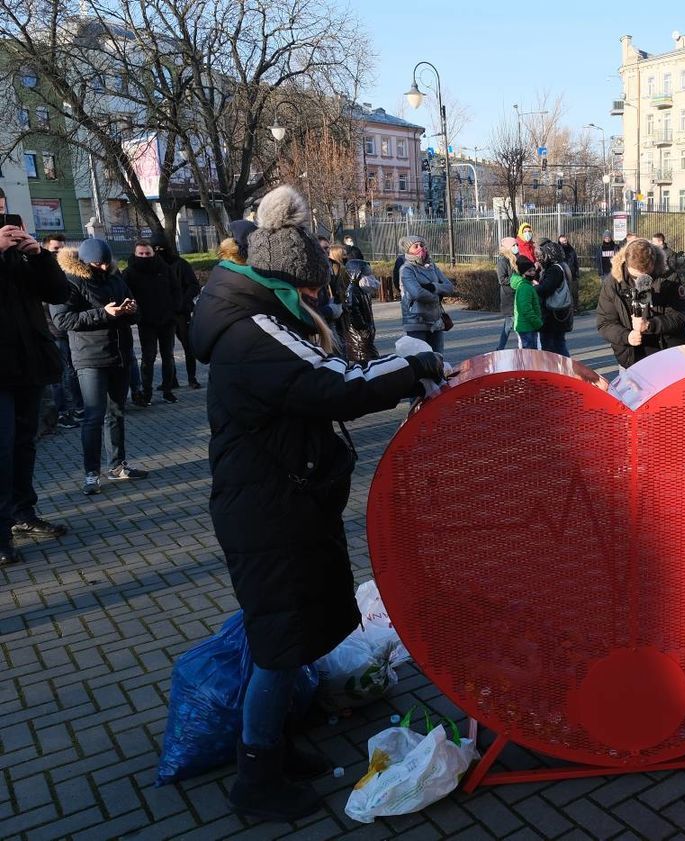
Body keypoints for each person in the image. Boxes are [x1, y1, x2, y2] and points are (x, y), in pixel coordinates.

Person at [189, 185, 446, 822]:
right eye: (311, 291)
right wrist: (413, 366)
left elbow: (323, 376)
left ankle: (273, 747)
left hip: (283, 498)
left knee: (293, 635)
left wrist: (398, 364)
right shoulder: (251, 332)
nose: (318, 302)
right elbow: (329, 386)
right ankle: (256, 778)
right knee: (279, 648)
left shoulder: (258, 318)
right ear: (286, 280)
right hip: (266, 509)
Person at [52, 239, 148, 496]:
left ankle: (117, 465)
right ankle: (91, 473)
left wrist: (132, 310)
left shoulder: (115, 278)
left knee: (116, 413)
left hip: (120, 355)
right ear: (84, 261)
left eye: (106, 261)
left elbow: (134, 313)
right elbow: (62, 320)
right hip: (90, 358)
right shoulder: (70, 280)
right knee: (93, 416)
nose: (103, 266)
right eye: (97, 262)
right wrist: (104, 314)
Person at [1, 223, 70, 565]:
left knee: (23, 444)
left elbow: (59, 293)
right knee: (1, 449)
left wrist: (40, 256)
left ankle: (22, 515)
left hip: (28, 365)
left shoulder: (19, 258)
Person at [596, 238, 685, 369]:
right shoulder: (613, 284)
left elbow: (680, 316)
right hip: (631, 358)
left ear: (653, 263)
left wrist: (650, 325)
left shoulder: (669, 278)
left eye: (646, 275)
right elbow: (605, 323)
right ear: (626, 263)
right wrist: (626, 336)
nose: (640, 279)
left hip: (668, 355)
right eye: (635, 276)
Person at [123, 240, 180, 405]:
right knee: (148, 357)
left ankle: (167, 390)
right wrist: (136, 314)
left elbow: (176, 290)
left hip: (167, 320)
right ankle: (146, 392)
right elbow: (126, 295)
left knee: (168, 356)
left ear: (153, 253)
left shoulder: (165, 269)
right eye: (140, 254)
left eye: (147, 253)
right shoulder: (129, 272)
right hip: (146, 322)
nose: (144, 256)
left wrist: (174, 309)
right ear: (135, 254)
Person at [152, 232, 203, 389]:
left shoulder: (180, 264)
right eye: (155, 248)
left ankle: (191, 378)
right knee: (167, 350)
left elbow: (194, 286)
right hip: (163, 314)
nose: (159, 251)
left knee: (188, 346)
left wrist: (182, 302)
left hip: (181, 312)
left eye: (161, 248)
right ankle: (170, 380)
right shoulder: (152, 267)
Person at [43, 234, 83, 430]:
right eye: (55, 250)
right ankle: (65, 412)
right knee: (64, 373)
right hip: (54, 331)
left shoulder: (65, 272)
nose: (59, 253)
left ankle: (73, 409)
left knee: (70, 372)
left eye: (61, 249)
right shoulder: (44, 272)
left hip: (66, 330)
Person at [398, 236, 454, 354]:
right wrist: (436, 297)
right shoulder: (406, 269)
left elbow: (449, 287)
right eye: (416, 246)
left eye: (422, 245)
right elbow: (416, 293)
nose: (420, 248)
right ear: (408, 251)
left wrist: (433, 287)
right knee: (421, 361)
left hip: (436, 321)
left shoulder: (432, 266)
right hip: (416, 322)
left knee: (438, 358)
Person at [535, 239, 575, 357]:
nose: (541, 257)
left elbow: (546, 289)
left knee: (551, 346)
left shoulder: (554, 269)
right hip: (561, 313)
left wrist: (535, 287)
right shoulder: (563, 266)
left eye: (543, 255)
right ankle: (565, 368)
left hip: (553, 315)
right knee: (559, 343)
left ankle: (559, 370)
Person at [342, 258, 380, 366]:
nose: (369, 276)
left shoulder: (363, 290)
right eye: (366, 273)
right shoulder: (353, 290)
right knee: (367, 363)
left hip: (365, 335)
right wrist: (364, 328)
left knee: (372, 362)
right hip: (359, 338)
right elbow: (353, 312)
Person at [510, 255, 543, 350]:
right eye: (529, 271)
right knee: (530, 356)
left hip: (527, 326)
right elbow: (526, 309)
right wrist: (538, 323)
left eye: (533, 270)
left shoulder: (526, 285)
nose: (533, 273)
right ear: (523, 274)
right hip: (527, 326)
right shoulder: (525, 287)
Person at [494, 236, 520, 351]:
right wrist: (516, 281)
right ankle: (523, 346)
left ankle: (500, 348)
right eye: (514, 245)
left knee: (509, 325)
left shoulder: (515, 259)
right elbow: (502, 279)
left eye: (517, 245)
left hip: (516, 295)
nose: (516, 247)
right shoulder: (503, 261)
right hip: (509, 298)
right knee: (516, 324)